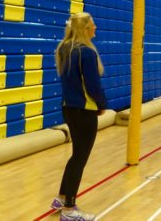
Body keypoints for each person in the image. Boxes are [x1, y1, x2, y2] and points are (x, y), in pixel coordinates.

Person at [51, 12, 107, 221]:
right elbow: (93, 85)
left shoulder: (64, 48)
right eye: (93, 25)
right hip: (84, 111)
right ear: (85, 29)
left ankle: (62, 197)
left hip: (68, 109)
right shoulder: (87, 53)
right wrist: (102, 104)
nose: (95, 29)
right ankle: (69, 209)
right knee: (80, 158)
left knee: (75, 156)